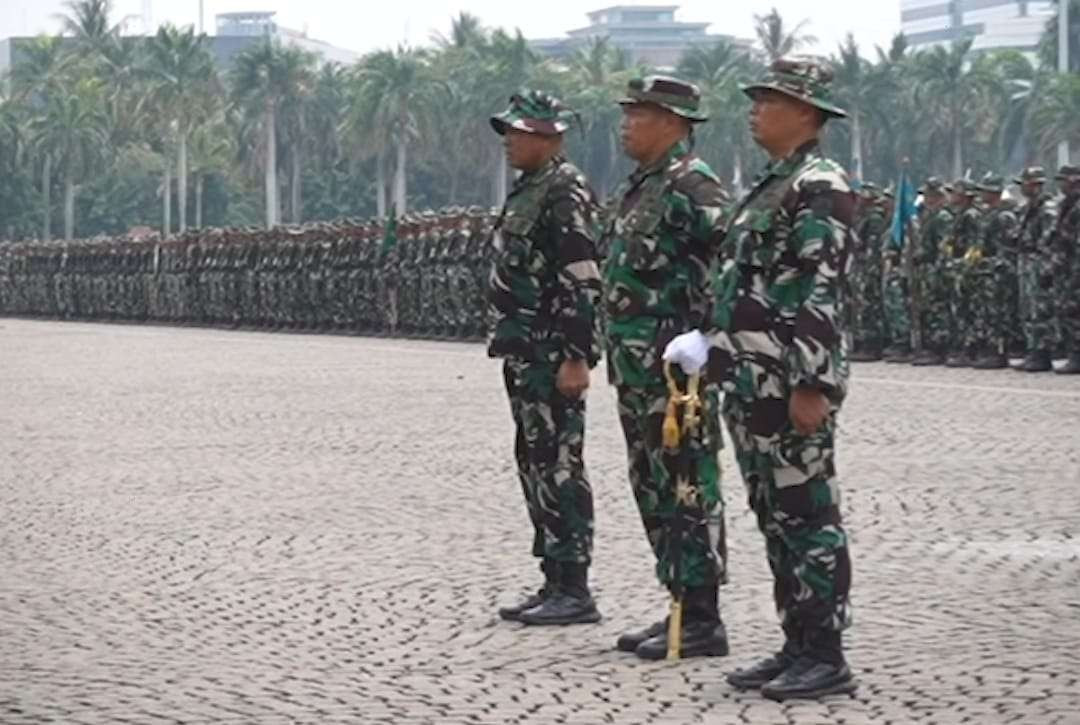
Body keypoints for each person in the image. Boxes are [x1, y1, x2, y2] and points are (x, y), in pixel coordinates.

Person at [664, 57, 857, 701]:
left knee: (808, 514)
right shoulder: (776, 181)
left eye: (767, 99)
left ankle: (826, 653)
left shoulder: (819, 183)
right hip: (751, 379)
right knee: (774, 514)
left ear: (805, 112)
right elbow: (745, 284)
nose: (753, 109)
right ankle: (796, 642)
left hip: (787, 382)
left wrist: (813, 383)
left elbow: (819, 288)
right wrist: (711, 344)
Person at [601, 75, 730, 661]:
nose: (627, 122)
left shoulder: (693, 186)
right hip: (636, 371)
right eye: (628, 112)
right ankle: (679, 601)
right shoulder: (643, 187)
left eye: (640, 113)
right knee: (652, 485)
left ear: (674, 123)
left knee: (687, 487)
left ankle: (702, 618)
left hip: (679, 377)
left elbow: (731, 261)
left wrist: (709, 337)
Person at [487, 91, 604, 625]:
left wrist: (577, 355)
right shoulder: (529, 188)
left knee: (559, 465)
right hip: (524, 349)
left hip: (554, 352)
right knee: (534, 462)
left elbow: (581, 275)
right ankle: (553, 577)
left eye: (520, 132)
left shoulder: (564, 189)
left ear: (550, 138)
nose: (510, 140)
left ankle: (575, 587)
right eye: (509, 131)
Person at [1013, 167, 1057, 372]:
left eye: (1026, 184)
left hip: (1038, 262)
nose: (1022, 188)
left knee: (1039, 310)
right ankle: (1032, 350)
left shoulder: (1047, 209)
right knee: (1027, 309)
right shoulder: (1027, 208)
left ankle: (1041, 353)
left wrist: (1046, 267)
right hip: (1025, 262)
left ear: (1036, 185)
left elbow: (1049, 240)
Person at [1052, 165, 1080, 375]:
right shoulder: (1067, 204)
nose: (1060, 184)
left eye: (1064, 180)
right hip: (1066, 265)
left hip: (1075, 266)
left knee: (1073, 311)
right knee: (1067, 310)